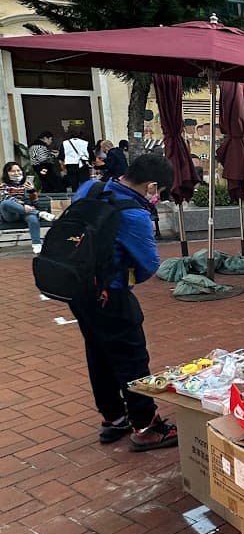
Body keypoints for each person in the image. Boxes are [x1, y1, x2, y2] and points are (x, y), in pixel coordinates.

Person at [65, 153, 179, 449]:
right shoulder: (134, 214)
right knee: (131, 357)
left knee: (99, 351)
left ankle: (113, 418)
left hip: (75, 288)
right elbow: (149, 264)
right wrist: (126, 276)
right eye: (160, 192)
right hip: (110, 293)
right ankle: (145, 425)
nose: (157, 198)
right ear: (152, 186)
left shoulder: (90, 188)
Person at [1, 160, 52, 250]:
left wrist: (32, 191)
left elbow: (35, 203)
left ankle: (37, 244)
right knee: (5, 203)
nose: (16, 173)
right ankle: (39, 213)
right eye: (13, 171)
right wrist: (21, 204)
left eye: (18, 170)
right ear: (7, 173)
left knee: (32, 219)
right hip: (11, 215)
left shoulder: (27, 185)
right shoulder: (3, 186)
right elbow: (5, 198)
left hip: (26, 213)